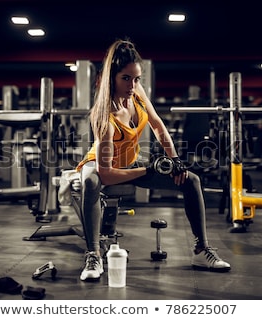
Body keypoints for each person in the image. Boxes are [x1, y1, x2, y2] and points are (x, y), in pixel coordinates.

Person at [75, 38, 231, 281]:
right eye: (126, 78)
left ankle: (201, 250)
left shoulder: (136, 93)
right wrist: (147, 169)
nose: (132, 84)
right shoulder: (104, 115)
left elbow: (158, 125)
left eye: (136, 78)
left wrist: (175, 160)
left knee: (191, 180)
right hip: (99, 165)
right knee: (91, 182)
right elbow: (106, 174)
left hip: (130, 162)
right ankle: (93, 255)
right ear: (112, 77)